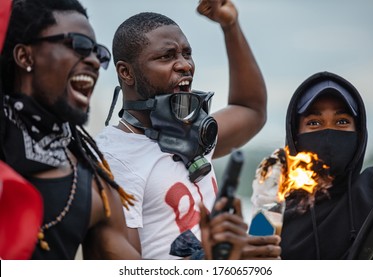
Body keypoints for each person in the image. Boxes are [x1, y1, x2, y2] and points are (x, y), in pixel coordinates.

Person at [0, 0, 253, 260]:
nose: (94, 62)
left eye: (97, 53)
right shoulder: (111, 160)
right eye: (78, 46)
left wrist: (216, 263)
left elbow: (250, 109)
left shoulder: (93, 181)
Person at [96, 0, 281, 260]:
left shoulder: (189, 131)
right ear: (126, 72)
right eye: (166, 56)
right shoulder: (112, 158)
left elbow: (251, 110)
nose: (185, 65)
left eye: (186, 53)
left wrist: (230, 26)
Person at [269, 71, 373, 259]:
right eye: (314, 122)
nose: (328, 133)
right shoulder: (271, 217)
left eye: (342, 121)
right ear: (295, 137)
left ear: (359, 135)